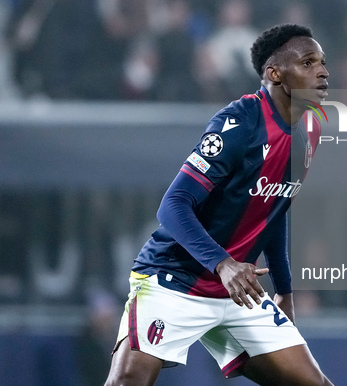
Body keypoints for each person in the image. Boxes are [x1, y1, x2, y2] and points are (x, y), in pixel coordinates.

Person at [105, 23, 332, 386]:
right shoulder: (239, 122)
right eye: (308, 63)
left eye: (322, 62)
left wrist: (285, 290)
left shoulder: (312, 128)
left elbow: (274, 209)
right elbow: (173, 205)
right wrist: (224, 265)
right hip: (176, 279)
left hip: (238, 291)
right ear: (275, 73)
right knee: (127, 382)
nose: (322, 71)